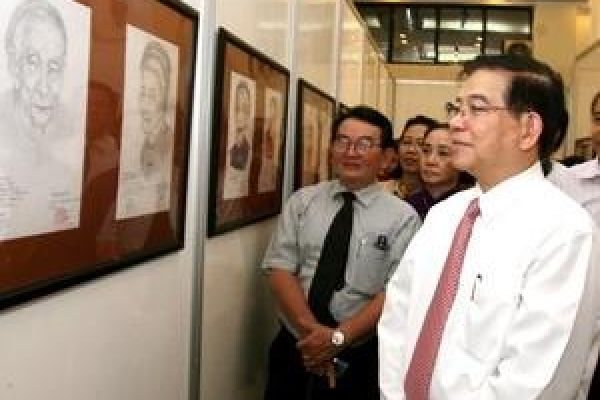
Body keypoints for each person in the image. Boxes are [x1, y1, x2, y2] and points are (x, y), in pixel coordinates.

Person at [379, 54, 599, 400]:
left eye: (476, 109)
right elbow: (398, 319)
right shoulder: (445, 216)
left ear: (528, 129)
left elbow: (538, 379)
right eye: (456, 107)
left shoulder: (564, 230)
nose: (455, 123)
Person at [261, 105, 421, 400]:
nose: (351, 152)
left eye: (364, 144)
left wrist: (338, 338)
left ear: (387, 157)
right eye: (342, 141)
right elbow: (280, 268)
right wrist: (314, 338)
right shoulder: (302, 202)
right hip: (296, 344)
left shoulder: (403, 218)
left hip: (359, 353)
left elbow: (396, 291)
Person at [0, 0, 85, 240]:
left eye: (54, 66)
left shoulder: (70, 146)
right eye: (33, 62)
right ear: (13, 66)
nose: (44, 87)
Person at [405, 123, 467, 220]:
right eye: (425, 150)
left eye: (443, 153)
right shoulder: (407, 207)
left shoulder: (472, 207)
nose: (430, 161)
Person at [393, 115, 437, 198]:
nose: (411, 150)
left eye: (421, 144)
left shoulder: (438, 196)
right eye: (406, 142)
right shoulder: (382, 190)